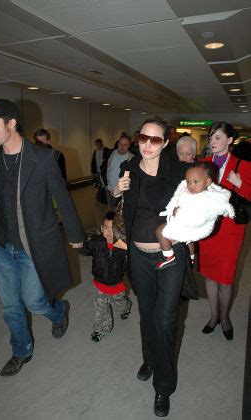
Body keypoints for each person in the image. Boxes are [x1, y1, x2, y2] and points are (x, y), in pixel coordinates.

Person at [0, 99, 84, 377]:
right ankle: (21, 350)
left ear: (11, 123)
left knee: (35, 301)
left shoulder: (43, 158)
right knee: (11, 305)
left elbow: (62, 198)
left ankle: (58, 312)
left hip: (33, 244)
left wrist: (76, 235)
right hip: (1, 244)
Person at [112, 119, 189, 417]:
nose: (147, 144)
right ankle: (150, 358)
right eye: (143, 137)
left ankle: (164, 386)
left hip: (169, 257)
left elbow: (207, 201)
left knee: (166, 319)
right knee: (147, 313)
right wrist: (117, 190)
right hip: (138, 256)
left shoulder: (179, 172)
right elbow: (118, 206)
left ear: (165, 143)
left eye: (155, 140)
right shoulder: (128, 168)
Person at [199, 122, 251, 341]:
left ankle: (225, 317)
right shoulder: (203, 164)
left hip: (230, 232)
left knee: (226, 279)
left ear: (230, 140)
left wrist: (239, 184)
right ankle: (213, 315)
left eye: (218, 137)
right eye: (211, 137)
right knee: (210, 276)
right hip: (207, 230)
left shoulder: (244, 165)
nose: (213, 141)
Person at [155, 162, 234, 269]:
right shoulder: (189, 192)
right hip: (187, 225)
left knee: (160, 231)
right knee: (189, 240)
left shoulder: (207, 199)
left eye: (195, 182)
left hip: (193, 225)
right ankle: (192, 257)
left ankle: (168, 256)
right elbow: (176, 201)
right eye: (188, 181)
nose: (190, 185)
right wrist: (173, 210)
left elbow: (199, 217)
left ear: (208, 182)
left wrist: (178, 214)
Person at [79, 211, 132, 342]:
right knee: (100, 309)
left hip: (116, 284)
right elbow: (85, 249)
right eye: (106, 228)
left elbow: (127, 266)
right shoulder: (97, 243)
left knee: (119, 304)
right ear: (102, 228)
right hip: (100, 283)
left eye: (113, 229)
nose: (109, 232)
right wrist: (78, 245)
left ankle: (126, 307)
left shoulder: (122, 247)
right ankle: (100, 330)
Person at [106, 135, 133, 211]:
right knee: (109, 210)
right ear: (117, 143)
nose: (122, 147)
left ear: (129, 146)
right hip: (109, 188)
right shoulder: (113, 153)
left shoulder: (131, 157)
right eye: (120, 144)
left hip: (121, 191)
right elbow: (108, 168)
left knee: (117, 212)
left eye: (125, 145)